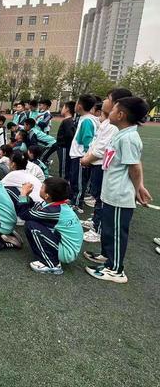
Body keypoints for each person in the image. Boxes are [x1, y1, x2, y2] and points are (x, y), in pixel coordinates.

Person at [84, 97, 152, 284]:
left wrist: (139, 188)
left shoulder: (129, 138)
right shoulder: (121, 134)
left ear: (121, 115)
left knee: (115, 232)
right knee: (108, 230)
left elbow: (134, 167)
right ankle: (107, 258)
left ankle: (116, 270)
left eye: (113, 110)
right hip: (111, 191)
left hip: (119, 195)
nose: (109, 112)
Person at [79, 88, 132, 242]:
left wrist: (87, 159)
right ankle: (96, 221)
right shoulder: (108, 122)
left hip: (102, 165)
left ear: (117, 104)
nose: (104, 102)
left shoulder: (115, 126)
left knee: (101, 198)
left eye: (108, 98)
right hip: (96, 164)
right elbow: (96, 143)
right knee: (98, 196)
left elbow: (102, 149)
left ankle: (98, 228)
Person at [18, 177, 83, 275]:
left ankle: (52, 264)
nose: (40, 188)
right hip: (64, 245)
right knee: (33, 223)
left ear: (47, 195)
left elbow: (24, 215)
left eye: (42, 187)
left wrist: (23, 194)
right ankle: (46, 255)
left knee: (32, 226)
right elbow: (34, 209)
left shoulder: (54, 211)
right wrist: (27, 196)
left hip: (67, 252)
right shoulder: (56, 205)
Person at [69, 94, 98, 213]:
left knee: (79, 181)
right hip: (78, 155)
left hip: (81, 156)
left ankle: (77, 204)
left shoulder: (87, 120)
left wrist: (86, 156)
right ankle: (74, 200)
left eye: (76, 103)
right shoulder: (85, 118)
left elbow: (87, 139)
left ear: (79, 106)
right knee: (75, 179)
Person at [56, 101, 76, 180]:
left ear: (67, 109)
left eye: (63, 107)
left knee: (64, 168)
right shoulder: (68, 120)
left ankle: (63, 183)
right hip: (63, 147)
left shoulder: (67, 121)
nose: (62, 109)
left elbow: (70, 135)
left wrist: (64, 144)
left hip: (64, 147)